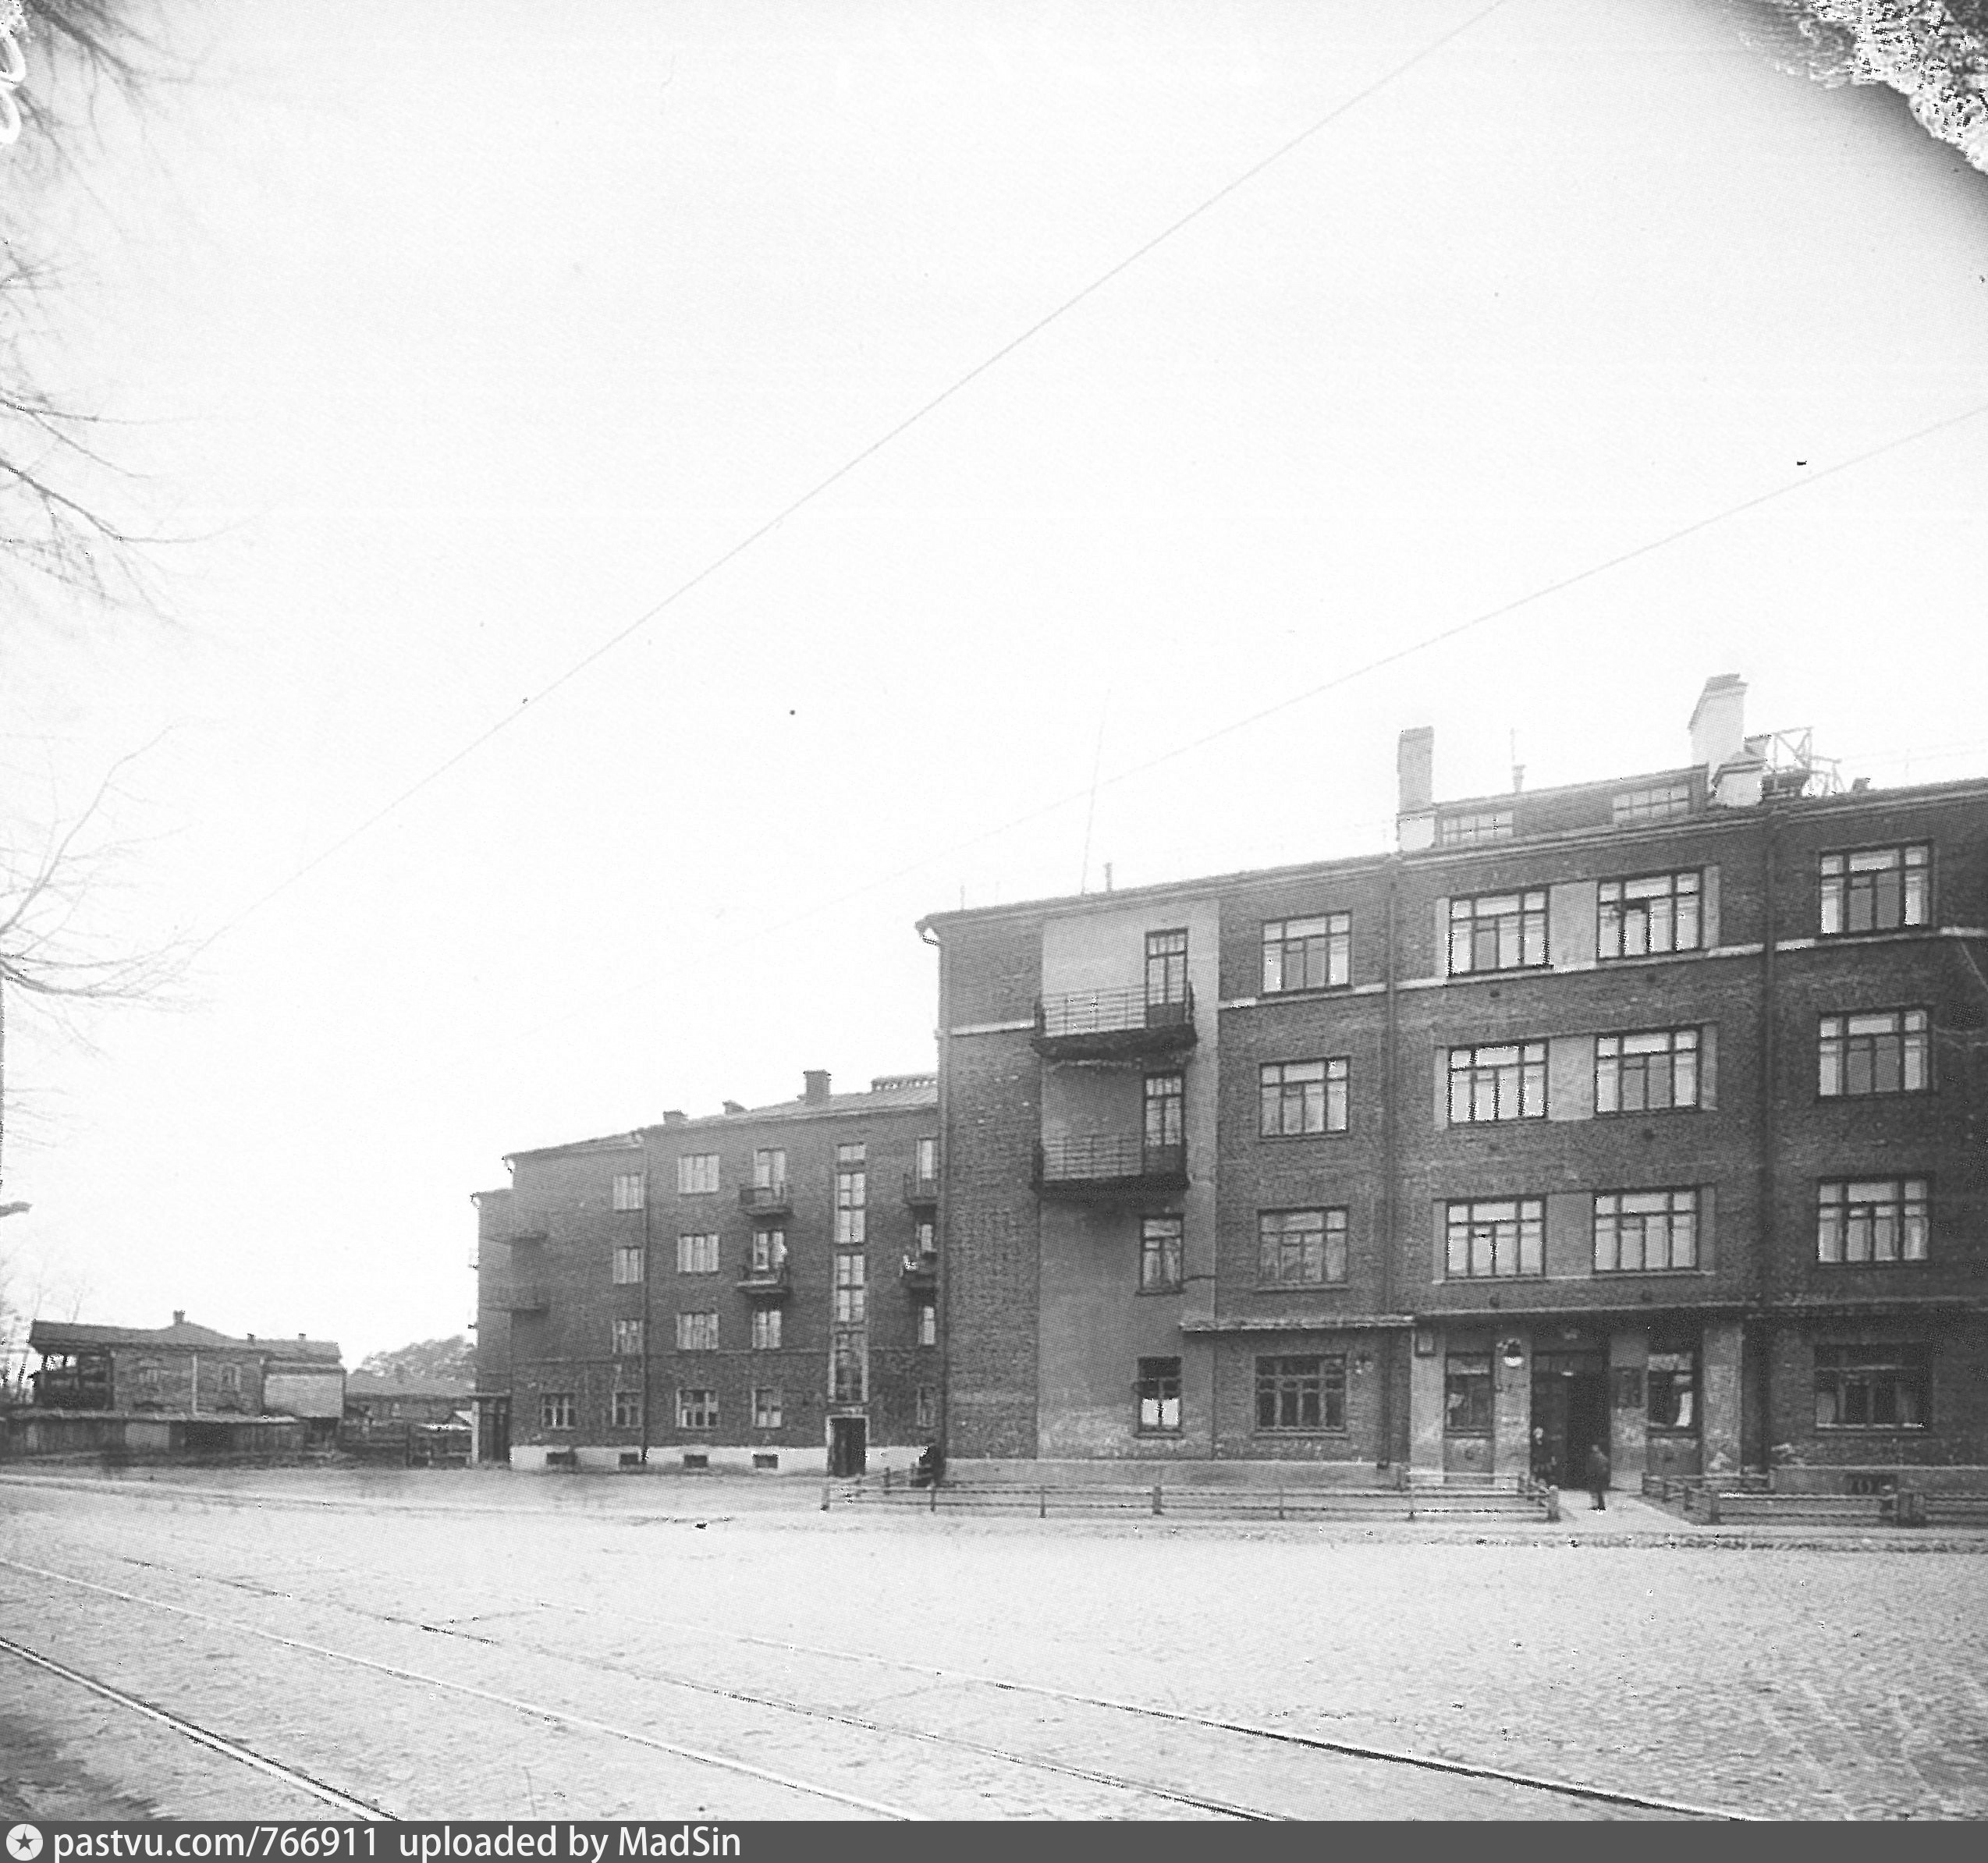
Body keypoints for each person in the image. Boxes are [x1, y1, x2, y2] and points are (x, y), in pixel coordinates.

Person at [1585, 1440, 1610, 1511]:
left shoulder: (1595, 1456)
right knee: (1598, 1491)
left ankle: (1597, 1505)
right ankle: (1600, 1505)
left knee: (1595, 1490)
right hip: (1599, 1475)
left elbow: (1590, 1466)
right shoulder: (1601, 1456)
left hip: (1596, 1475)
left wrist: (1590, 1472)